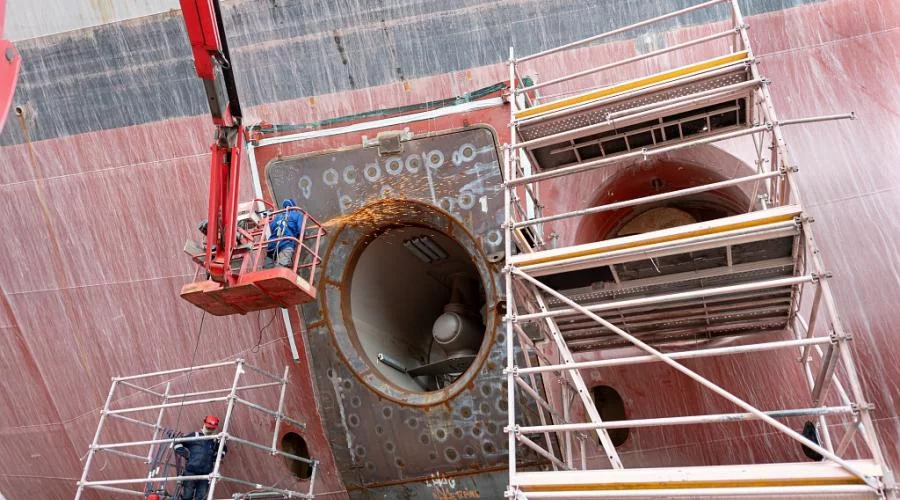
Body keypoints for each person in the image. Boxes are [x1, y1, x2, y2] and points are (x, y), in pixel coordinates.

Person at [173, 415, 228, 500]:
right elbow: (177, 444)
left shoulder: (215, 440)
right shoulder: (194, 435)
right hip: (191, 471)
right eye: (208, 427)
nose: (210, 430)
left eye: (212, 429)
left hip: (206, 473)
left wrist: (216, 457)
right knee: (187, 496)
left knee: (201, 497)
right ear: (204, 424)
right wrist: (187, 455)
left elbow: (223, 450)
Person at [267, 198, 304, 268]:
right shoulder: (297, 215)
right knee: (279, 270)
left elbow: (272, 228)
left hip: (272, 245)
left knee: (267, 272)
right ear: (293, 207)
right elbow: (300, 230)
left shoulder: (277, 217)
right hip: (286, 244)